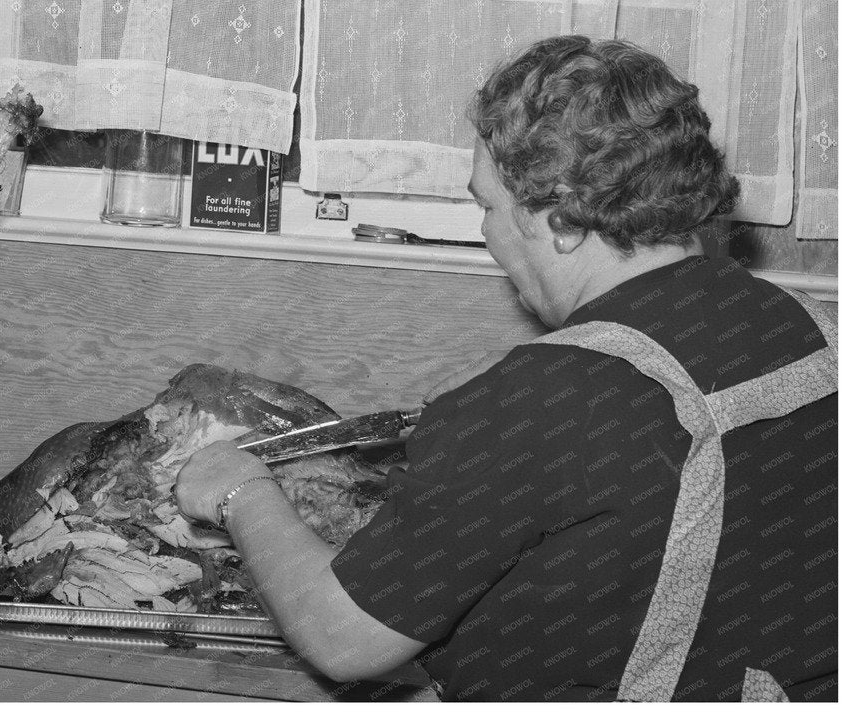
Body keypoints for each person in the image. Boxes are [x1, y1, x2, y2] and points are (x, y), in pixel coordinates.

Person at [175, 35, 836, 702]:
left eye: (489, 205)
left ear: (565, 216)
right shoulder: (814, 325)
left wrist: (241, 491)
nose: (488, 233)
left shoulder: (551, 398)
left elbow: (343, 638)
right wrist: (519, 400)